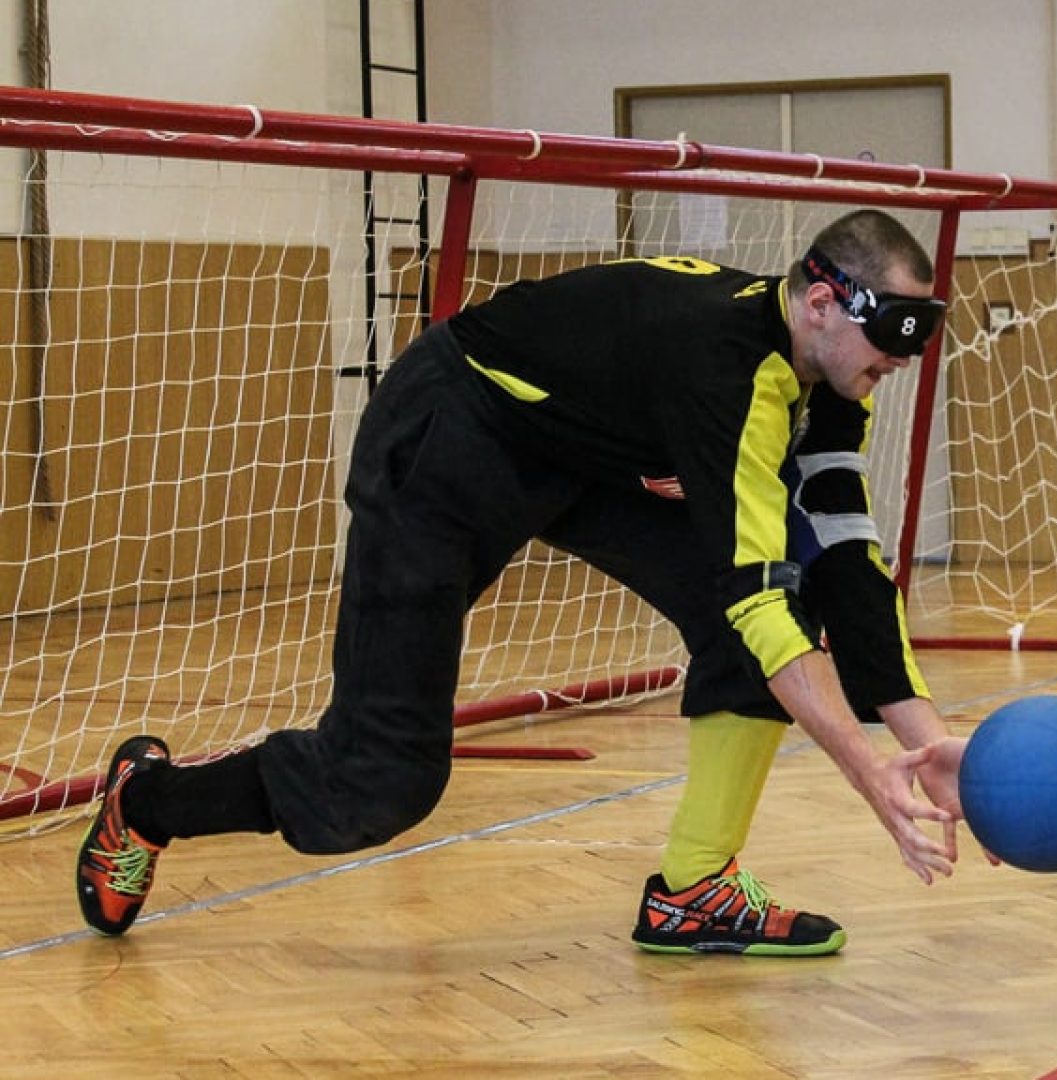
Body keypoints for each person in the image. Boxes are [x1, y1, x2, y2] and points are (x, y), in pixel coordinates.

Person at [76, 209, 970, 956]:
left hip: (578, 460)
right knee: (380, 780)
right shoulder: (729, 374)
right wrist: (869, 773)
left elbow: (849, 562)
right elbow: (758, 595)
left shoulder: (824, 380)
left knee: (766, 617)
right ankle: (145, 803)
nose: (898, 364)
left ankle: (694, 891)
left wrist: (928, 749)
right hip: (451, 436)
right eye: (889, 340)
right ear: (822, 301)